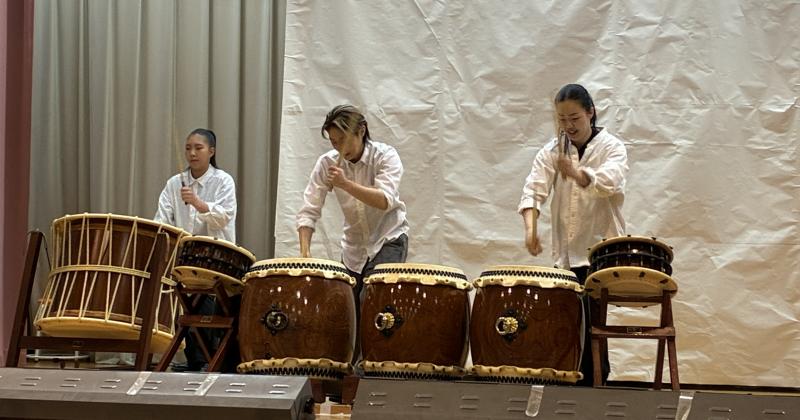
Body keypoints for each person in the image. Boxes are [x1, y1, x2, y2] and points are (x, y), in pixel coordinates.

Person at [518, 84, 629, 386]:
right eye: (561, 120)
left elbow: (609, 182)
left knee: (592, 324)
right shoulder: (552, 151)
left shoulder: (612, 147)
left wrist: (579, 174)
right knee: (565, 322)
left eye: (574, 118)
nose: (568, 126)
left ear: (591, 112)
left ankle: (595, 387)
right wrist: (531, 230)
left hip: (602, 251)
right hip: (566, 254)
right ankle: (571, 385)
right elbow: (533, 191)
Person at [296, 104, 409, 331]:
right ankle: (348, 364)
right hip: (354, 247)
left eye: (343, 139)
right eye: (333, 141)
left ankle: (370, 365)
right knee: (346, 310)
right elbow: (309, 208)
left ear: (362, 131)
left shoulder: (385, 156)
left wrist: (345, 184)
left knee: (373, 300)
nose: (339, 147)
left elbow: (385, 200)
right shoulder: (326, 163)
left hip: (389, 238)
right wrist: (305, 253)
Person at [155, 128, 238, 372]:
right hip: (185, 258)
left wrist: (198, 203)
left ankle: (205, 360)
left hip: (217, 258)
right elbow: (162, 219)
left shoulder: (223, 180)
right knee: (187, 303)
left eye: (198, 148)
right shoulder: (174, 183)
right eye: (188, 148)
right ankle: (197, 360)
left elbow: (224, 217)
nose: (192, 153)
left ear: (211, 151)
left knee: (205, 304)